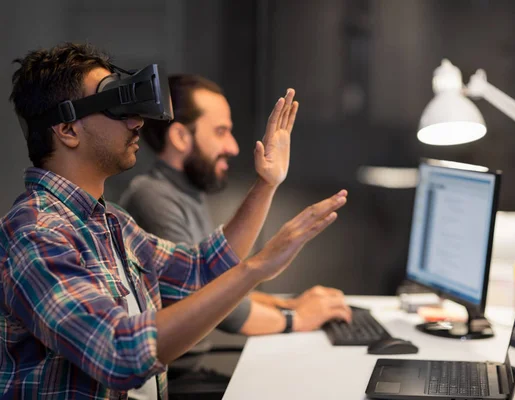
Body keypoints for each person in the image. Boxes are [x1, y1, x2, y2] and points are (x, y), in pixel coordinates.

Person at [0, 42, 348, 399]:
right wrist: (256, 268)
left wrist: (267, 183)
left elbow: (201, 271)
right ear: (68, 130)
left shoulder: (112, 223)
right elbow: (119, 352)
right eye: (115, 108)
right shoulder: (35, 234)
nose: (136, 122)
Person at [120, 75, 351, 341]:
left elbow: (215, 283)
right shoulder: (153, 197)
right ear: (181, 137)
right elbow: (207, 298)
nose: (233, 146)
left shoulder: (185, 192)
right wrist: (297, 319)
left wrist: (290, 305)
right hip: (182, 376)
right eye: (220, 132)